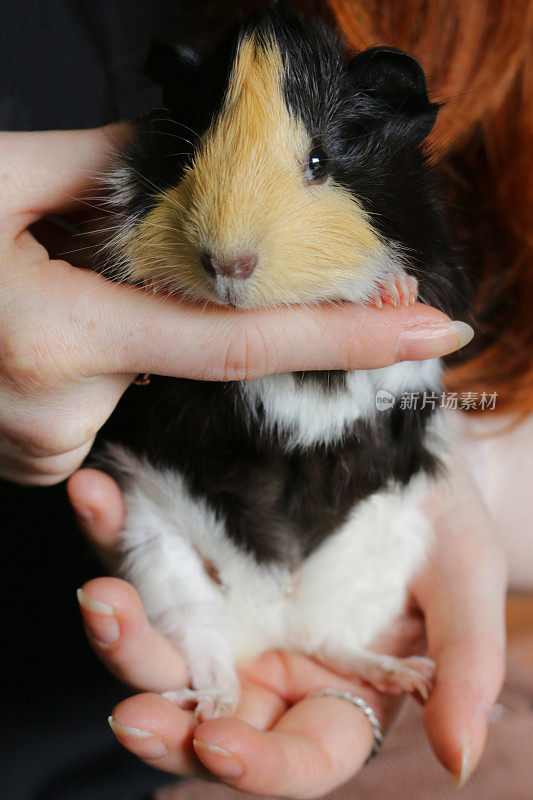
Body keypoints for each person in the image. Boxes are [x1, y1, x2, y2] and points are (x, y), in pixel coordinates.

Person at [1, 0, 530, 798]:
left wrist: (468, 474)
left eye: (312, 167)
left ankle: (332, 639)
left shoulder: (414, 246)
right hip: (94, 616)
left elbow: (464, 403)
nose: (235, 252)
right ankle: (210, 657)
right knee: (155, 519)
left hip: (322, 531)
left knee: (395, 518)